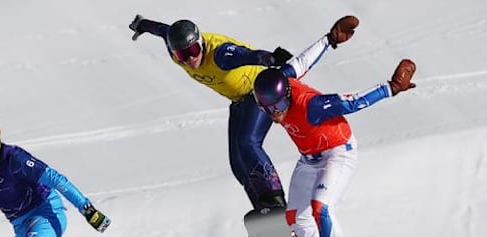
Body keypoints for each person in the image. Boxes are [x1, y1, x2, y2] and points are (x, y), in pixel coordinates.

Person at [129, 16, 361, 213]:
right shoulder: (175, 46)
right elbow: (161, 29)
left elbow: (251, 56)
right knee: (238, 164)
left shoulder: (220, 54)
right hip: (238, 100)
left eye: (194, 50)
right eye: (182, 55)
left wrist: (273, 58)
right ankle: (264, 211)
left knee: (248, 143)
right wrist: (142, 24)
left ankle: (275, 199)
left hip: (257, 93)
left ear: (201, 43)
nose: (190, 59)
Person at [250, 25, 416, 237]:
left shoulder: (311, 106)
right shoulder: (278, 85)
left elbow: (351, 102)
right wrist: (329, 40)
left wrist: (391, 88)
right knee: (295, 218)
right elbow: (302, 61)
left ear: (287, 97)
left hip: (339, 150)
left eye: (278, 108)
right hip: (310, 156)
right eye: (266, 110)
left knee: (320, 207)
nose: (275, 115)